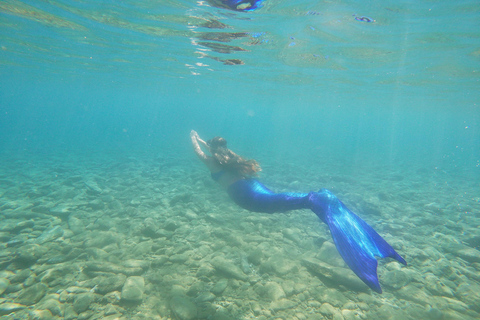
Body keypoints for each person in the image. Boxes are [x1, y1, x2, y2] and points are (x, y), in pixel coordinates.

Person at [190, 130, 406, 293]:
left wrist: (194, 138)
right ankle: (325, 205)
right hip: (257, 190)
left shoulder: (212, 162)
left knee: (310, 201)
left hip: (248, 198)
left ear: (211, 149)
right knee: (298, 201)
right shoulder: (229, 158)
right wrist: (205, 141)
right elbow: (214, 150)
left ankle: (324, 204)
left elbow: (198, 152)